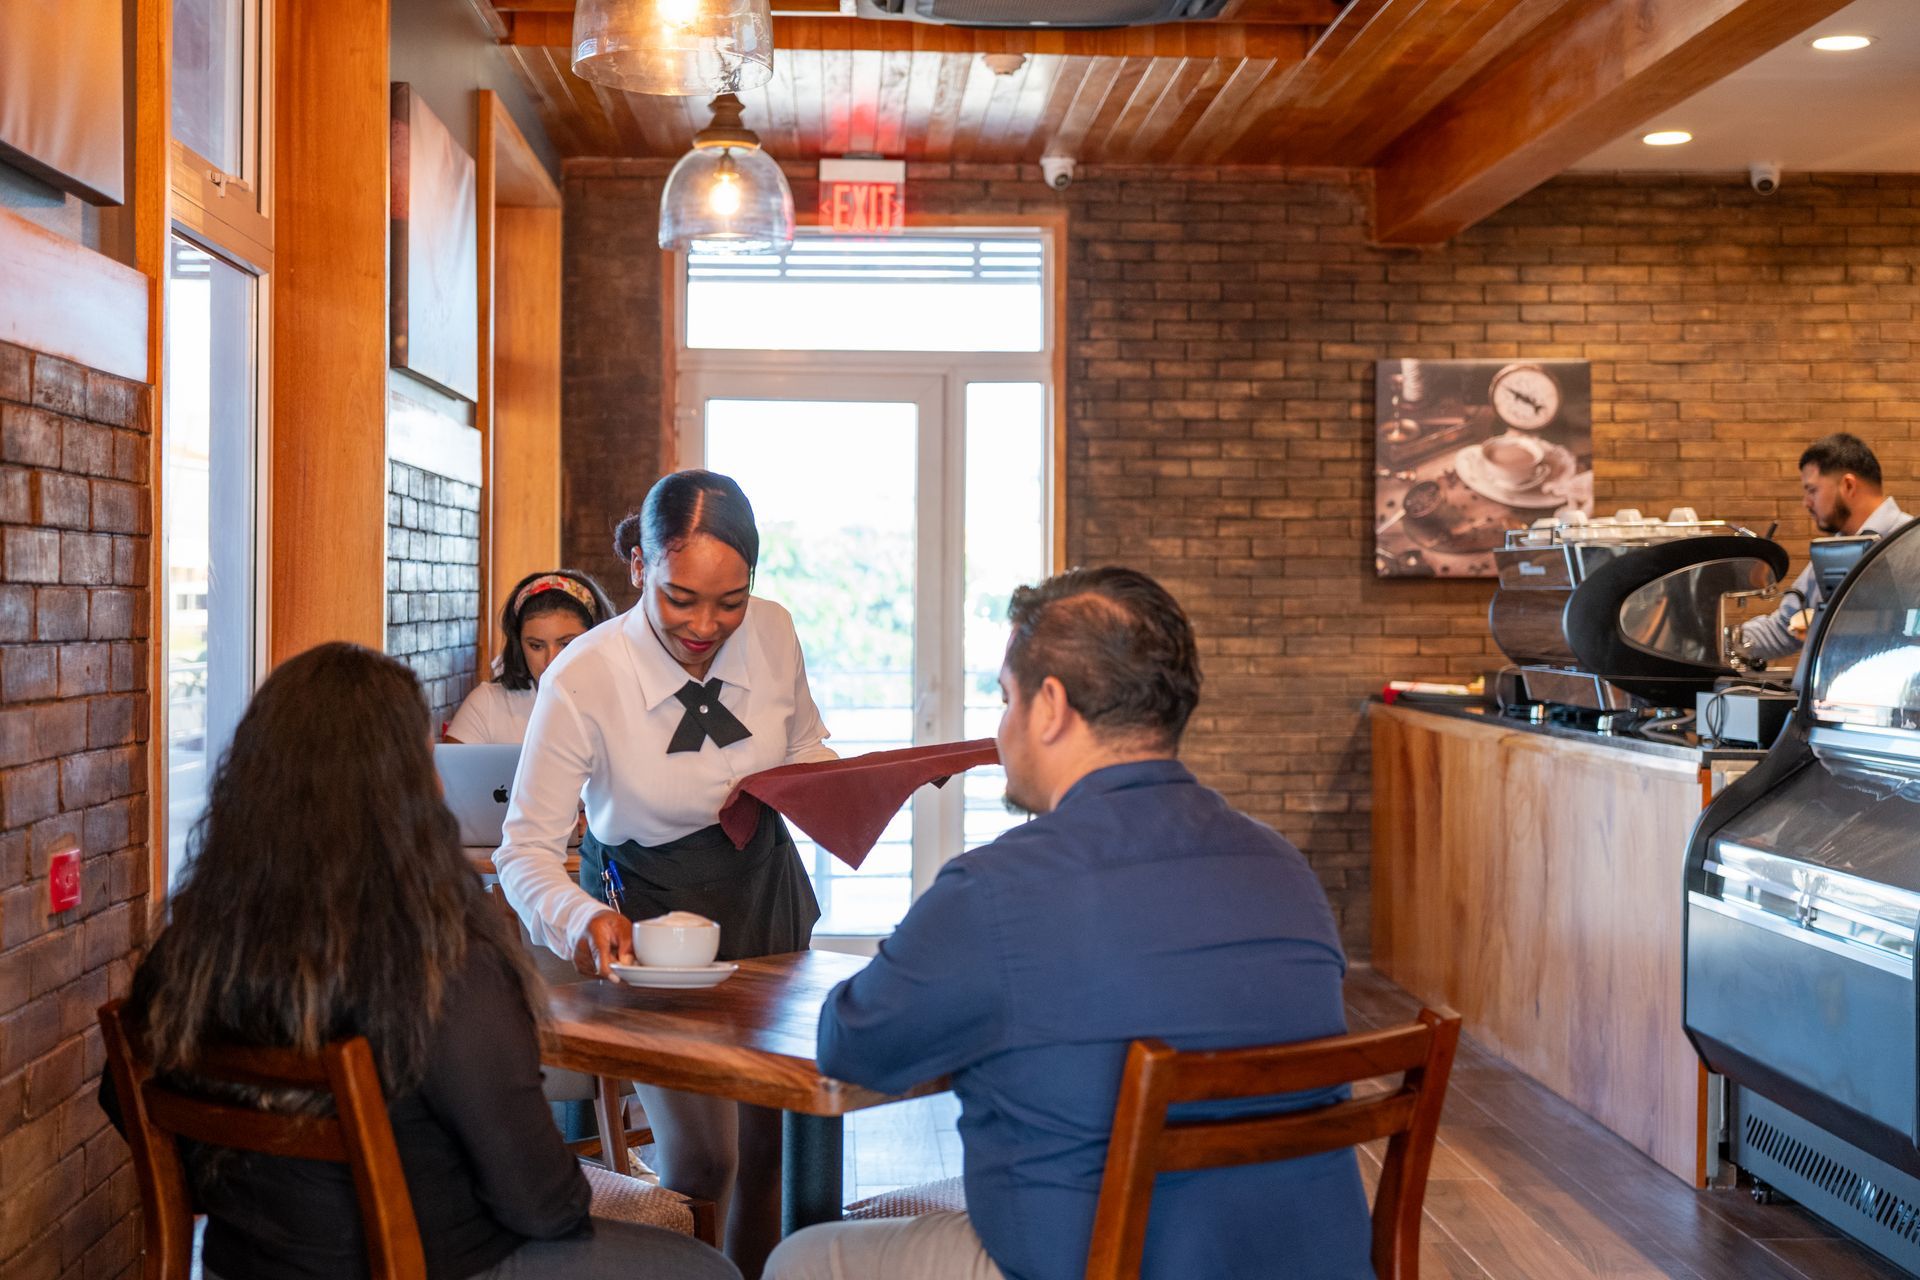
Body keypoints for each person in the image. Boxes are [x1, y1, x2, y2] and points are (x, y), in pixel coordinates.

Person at [763, 567, 1373, 1280]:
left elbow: (850, 1046)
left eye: (1005, 699)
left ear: (1050, 706)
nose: (1002, 729)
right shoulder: (1283, 869)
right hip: (1308, 1261)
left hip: (1099, 1264)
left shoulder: (997, 889)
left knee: (803, 1260)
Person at [100, 643, 739, 1280]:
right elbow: (544, 1204)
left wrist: (264, 1201)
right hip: (439, 1264)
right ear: (404, 789)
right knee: (707, 1269)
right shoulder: (439, 961)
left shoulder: (196, 945)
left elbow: (122, 1098)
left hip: (242, 1265)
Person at [495, 469, 836, 1276]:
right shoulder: (584, 674)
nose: (706, 625)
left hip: (762, 892)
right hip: (650, 920)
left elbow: (805, 745)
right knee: (706, 1160)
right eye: (681, 599)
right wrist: (580, 918)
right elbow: (524, 849)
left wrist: (854, 786)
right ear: (639, 567)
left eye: (730, 601)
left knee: (770, 1148)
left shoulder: (775, 630)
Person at [1732, 433, 1909, 663]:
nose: (1806, 502)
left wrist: (1838, 630)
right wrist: (1720, 642)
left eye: (1812, 490)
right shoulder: (1834, 550)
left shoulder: (1911, 542)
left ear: (1848, 485)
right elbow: (1783, 627)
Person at [445, 569, 616, 744]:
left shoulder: (621, 701)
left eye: (566, 644)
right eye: (536, 646)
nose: (551, 661)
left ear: (596, 639)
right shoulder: (488, 704)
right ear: (519, 645)